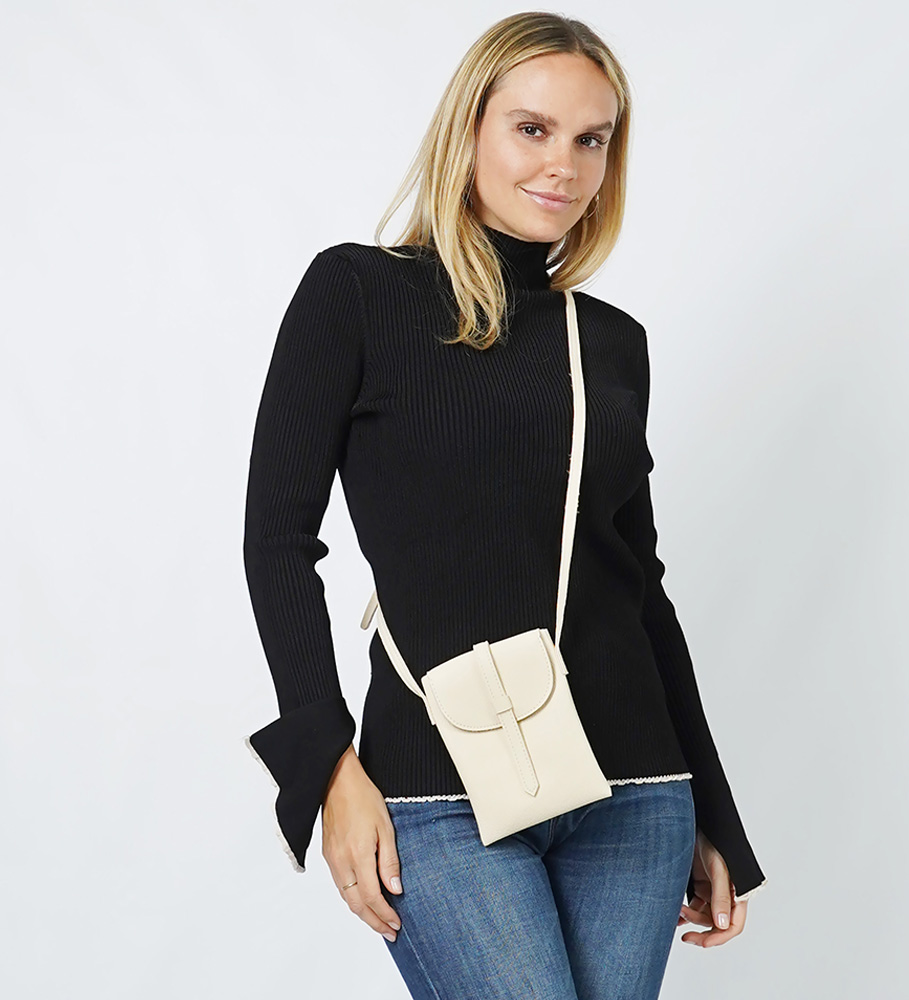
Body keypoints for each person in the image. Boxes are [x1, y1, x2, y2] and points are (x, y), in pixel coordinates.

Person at [242, 12, 767, 999]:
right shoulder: (357, 293)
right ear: (469, 128)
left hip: (635, 795)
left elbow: (639, 588)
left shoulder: (610, 341)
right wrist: (327, 767)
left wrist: (714, 813)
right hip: (437, 788)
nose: (563, 164)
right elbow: (277, 541)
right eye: (532, 128)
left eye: (591, 139)